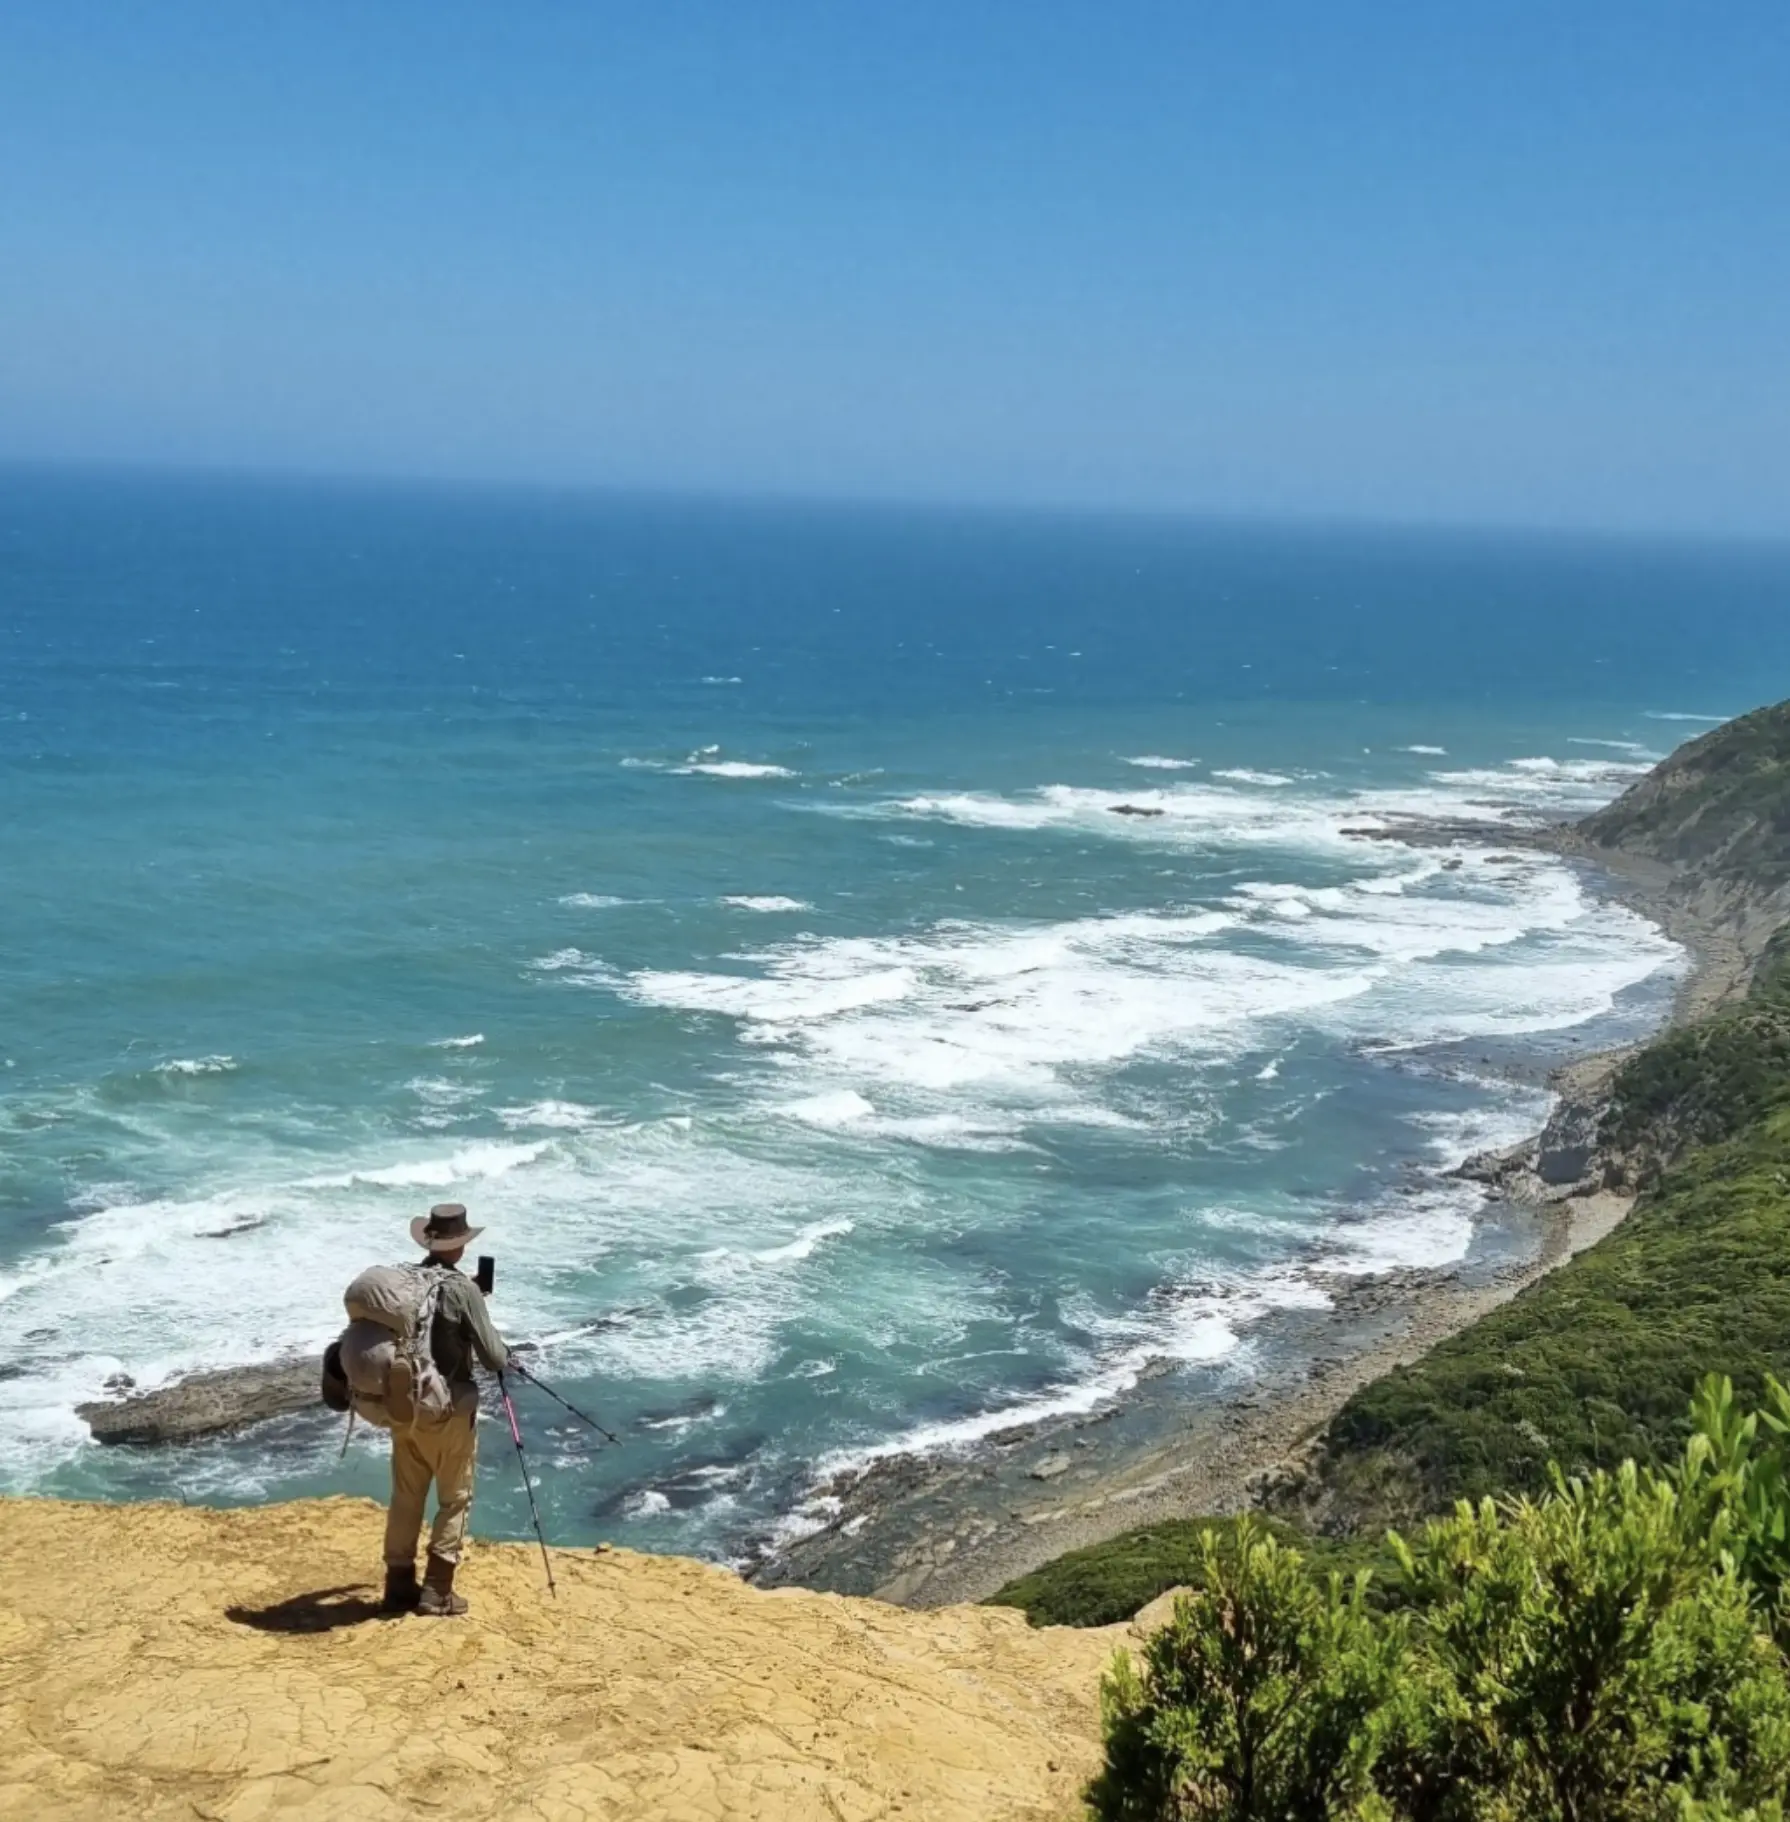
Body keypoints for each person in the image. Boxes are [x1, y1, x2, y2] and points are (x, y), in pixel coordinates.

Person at [383, 1201, 510, 1617]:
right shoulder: (462, 1290)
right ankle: (437, 1591)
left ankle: (398, 1585)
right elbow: (493, 1357)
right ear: (459, 1248)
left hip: (404, 1408)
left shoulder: (406, 1282)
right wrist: (479, 1309)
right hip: (448, 1409)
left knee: (406, 1496)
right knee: (455, 1498)